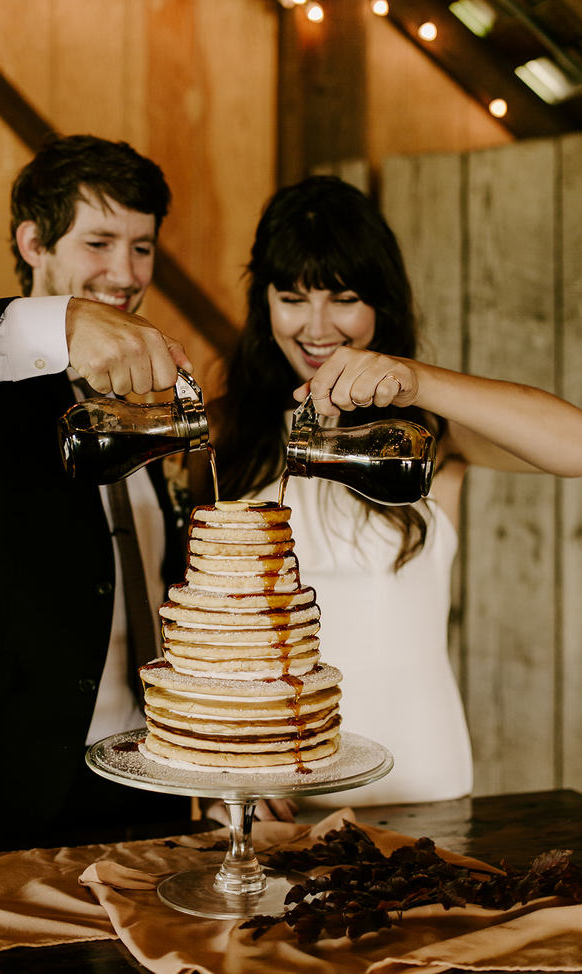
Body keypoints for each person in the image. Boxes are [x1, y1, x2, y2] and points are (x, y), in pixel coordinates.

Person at [191, 175, 582, 810]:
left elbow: (576, 445)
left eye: (344, 298)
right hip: (281, 800)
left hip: (424, 791)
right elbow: (204, 641)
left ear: (382, 303)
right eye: (292, 297)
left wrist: (415, 381)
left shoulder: (428, 434)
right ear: (264, 302)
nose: (316, 327)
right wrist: (228, 775)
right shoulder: (224, 434)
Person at [0, 135, 194, 846]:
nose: (125, 272)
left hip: (150, 782)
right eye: (100, 242)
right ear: (33, 242)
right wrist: (63, 323)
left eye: (142, 247)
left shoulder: (151, 391)